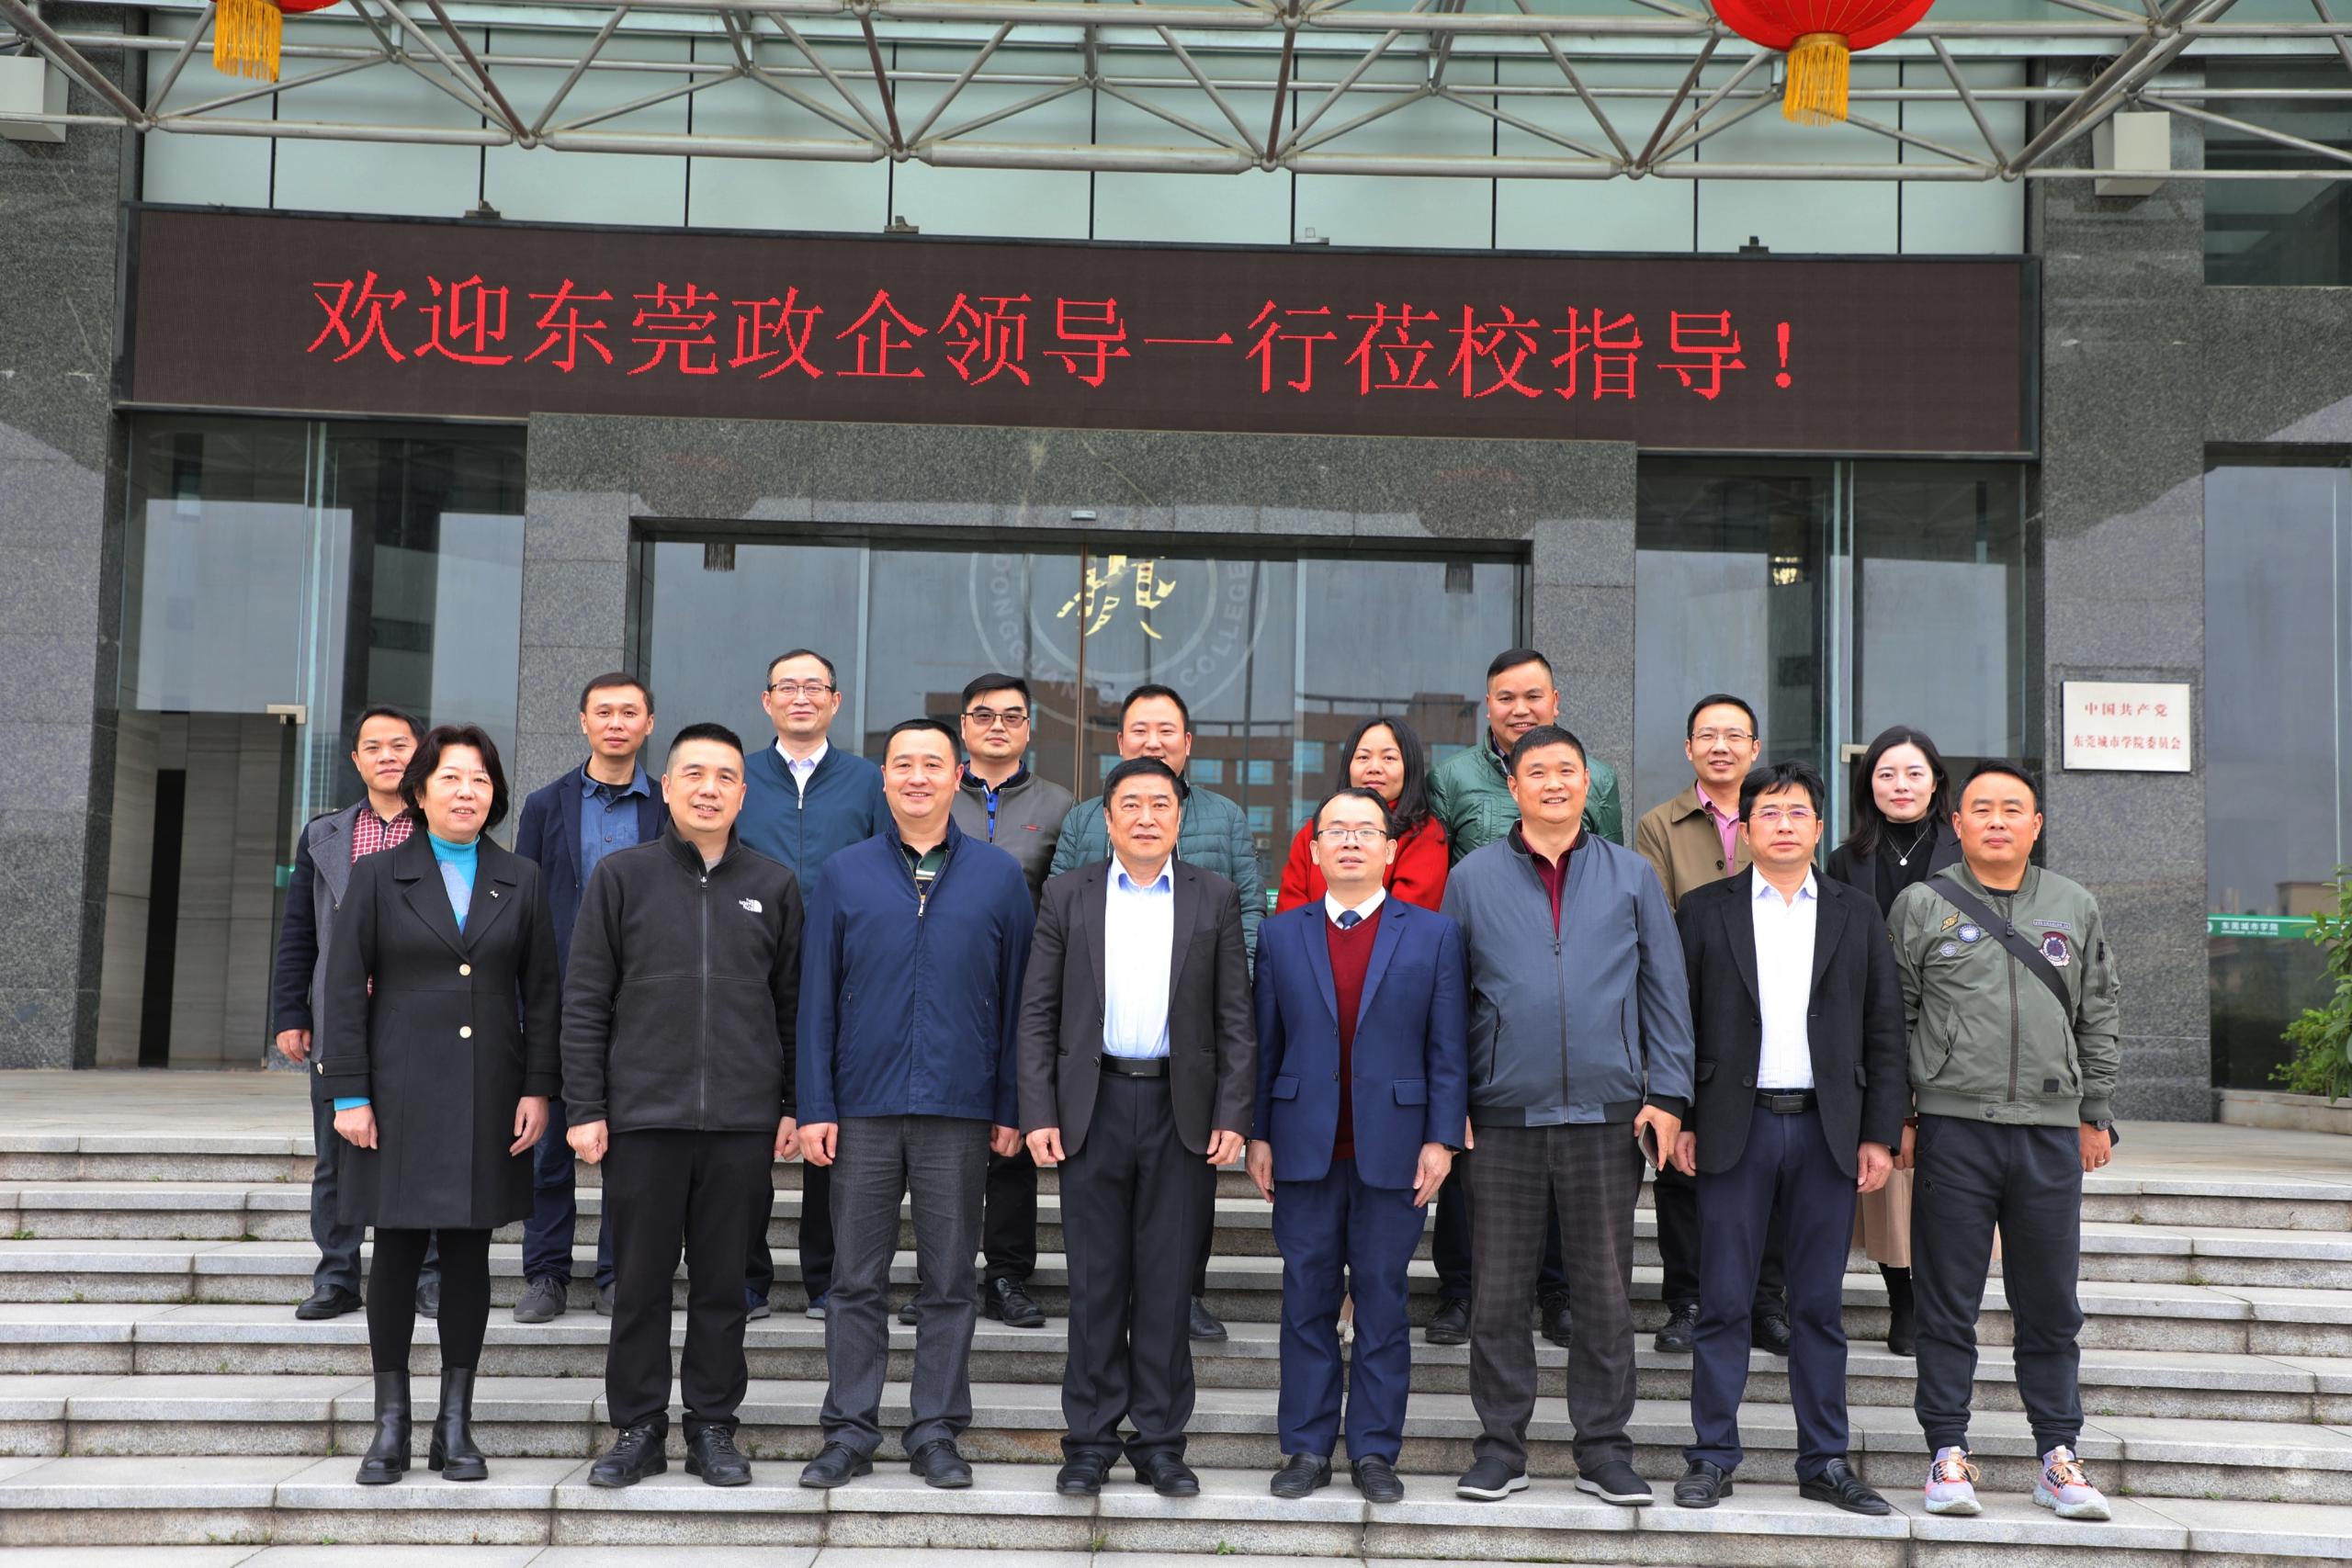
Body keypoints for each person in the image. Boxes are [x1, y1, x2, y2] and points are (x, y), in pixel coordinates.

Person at [1439, 724, 1690, 1507]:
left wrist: (1668, 1095)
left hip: (1608, 1118)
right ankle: (1500, 1448)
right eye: (1537, 771)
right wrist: (1451, 1106)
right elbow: (1448, 1002)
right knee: (1498, 1293)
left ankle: (1604, 1450)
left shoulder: (1632, 875)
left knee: (1604, 1295)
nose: (1553, 782)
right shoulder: (1471, 878)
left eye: (1567, 770)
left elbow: (1665, 990)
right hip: (1501, 1117)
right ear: (1512, 787)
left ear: (1589, 783)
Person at [560, 722, 805, 1492]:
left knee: (725, 1285)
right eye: (693, 773)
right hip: (644, 1119)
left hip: (740, 1123)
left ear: (743, 792)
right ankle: (638, 1426)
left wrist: (792, 1103)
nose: (708, 788)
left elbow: (793, 1007)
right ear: (666, 787)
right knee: (638, 1284)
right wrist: (585, 1105)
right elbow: (585, 1000)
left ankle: (712, 1426)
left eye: (725, 776)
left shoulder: (774, 884)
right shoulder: (621, 878)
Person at [796, 718, 1035, 1491]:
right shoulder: (845, 872)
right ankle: (849, 1430)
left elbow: (1020, 1002)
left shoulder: (998, 876)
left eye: (933, 764)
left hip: (959, 1107)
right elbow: (815, 999)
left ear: (957, 774)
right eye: (903, 764)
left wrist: (1011, 1105)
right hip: (861, 1107)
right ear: (885, 776)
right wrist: (815, 1102)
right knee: (854, 1279)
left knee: (950, 1280)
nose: (918, 777)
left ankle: (935, 1430)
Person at [317, 724, 558, 1485]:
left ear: (496, 794)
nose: (466, 792)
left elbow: (544, 994)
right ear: (420, 791)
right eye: (451, 777)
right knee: (394, 1250)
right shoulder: (378, 875)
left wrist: (539, 1087)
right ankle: (391, 1424)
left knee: (467, 1253)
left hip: (489, 1090)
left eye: (480, 779)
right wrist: (348, 1091)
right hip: (396, 1092)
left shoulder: (521, 877)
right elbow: (341, 989)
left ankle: (456, 1424)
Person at [1667, 761, 1904, 1517]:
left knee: (1819, 1307)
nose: (1783, 824)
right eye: (1768, 812)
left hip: (1826, 1131)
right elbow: (1677, 1022)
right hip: (1733, 1128)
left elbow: (1884, 1027)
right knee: (1724, 1301)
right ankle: (1712, 1455)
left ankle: (1824, 1459)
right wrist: (1682, 1115)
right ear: (1746, 827)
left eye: (1798, 811)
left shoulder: (1855, 912)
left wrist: (1879, 1134)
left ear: (1819, 826)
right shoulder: (1705, 910)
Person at [1019, 757, 1256, 1500]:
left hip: (1179, 1111)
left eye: (1161, 803)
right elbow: (1037, 1011)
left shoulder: (1214, 895)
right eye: (1131, 804)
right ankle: (1089, 1441)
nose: (1147, 816)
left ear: (1180, 817)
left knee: (1166, 1283)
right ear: (1107, 818)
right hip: (1091, 1107)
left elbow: (1236, 1016)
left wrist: (1233, 1113)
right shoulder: (1068, 893)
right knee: (1094, 1284)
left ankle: (1160, 1442)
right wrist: (1038, 1110)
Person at [1893, 761, 2121, 1523]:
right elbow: (1895, 1016)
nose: (1997, 820)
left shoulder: (2074, 905)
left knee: (2050, 1303)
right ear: (1956, 824)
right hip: (1954, 1130)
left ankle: (2058, 1455)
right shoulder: (1921, 904)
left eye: (2012, 808)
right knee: (1947, 1302)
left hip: (2049, 1133)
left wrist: (2095, 1109)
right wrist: (1899, 1115)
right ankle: (1946, 1453)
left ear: (2036, 824)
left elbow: (2097, 1011)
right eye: (1982, 808)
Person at [1247, 786, 1467, 1505]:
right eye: (1335, 830)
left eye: (1365, 830)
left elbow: (1448, 1048)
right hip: (1303, 1147)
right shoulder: (1281, 934)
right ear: (1313, 850)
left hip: (1395, 1150)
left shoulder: (1432, 934)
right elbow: (1264, 1043)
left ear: (1390, 848)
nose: (1350, 841)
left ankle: (1374, 1450)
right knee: (1306, 1300)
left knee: (1382, 1301)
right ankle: (1307, 1447)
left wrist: (1442, 1137)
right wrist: (1258, 1133)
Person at [1046, 683, 1265, 1342]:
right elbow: (1057, 931)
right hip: (1103, 1068)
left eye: (1167, 729)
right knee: (1100, 1255)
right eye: (1140, 729)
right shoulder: (1084, 823)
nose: (1153, 740)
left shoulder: (1225, 818)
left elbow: (1248, 913)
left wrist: (1232, 978)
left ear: (1187, 743)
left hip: (1188, 1050)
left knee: (1179, 1222)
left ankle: (1182, 1299)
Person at [270, 706, 438, 1323]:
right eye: (374, 746)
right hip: (342, 1020)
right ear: (356, 759)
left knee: (425, 1149)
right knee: (335, 1157)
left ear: (421, 752)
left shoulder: (443, 829)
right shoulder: (324, 835)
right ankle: (337, 1275)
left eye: (400, 744)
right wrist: (291, 1011)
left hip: (422, 1022)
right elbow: (298, 933)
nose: (387, 755)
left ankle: (430, 1274)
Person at [1633, 694, 1787, 1359]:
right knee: (1681, 1165)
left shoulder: (1782, 815)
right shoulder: (1658, 825)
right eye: (1707, 735)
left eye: (1734, 735)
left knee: (1774, 1159)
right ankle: (1688, 1300)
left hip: (1777, 1016)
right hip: (1690, 1011)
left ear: (1755, 747)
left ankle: (1766, 1303)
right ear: (1689, 748)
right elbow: (1659, 922)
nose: (1720, 746)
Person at [509, 672, 666, 1324]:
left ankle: (616, 1273)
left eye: (629, 712)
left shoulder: (668, 805)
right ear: (583, 722)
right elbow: (522, 901)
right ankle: (547, 1273)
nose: (616, 723)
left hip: (645, 1001)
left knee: (630, 1151)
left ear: (649, 724)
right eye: (604, 712)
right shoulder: (546, 805)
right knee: (549, 1150)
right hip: (560, 995)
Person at [737, 649, 888, 1323]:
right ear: (766, 700)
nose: (801, 697)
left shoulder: (868, 781)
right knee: (748, 1127)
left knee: (831, 1123)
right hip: (748, 970)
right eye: (787, 686)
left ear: (835, 701)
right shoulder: (739, 773)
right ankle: (746, 1274)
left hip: (843, 973)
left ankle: (827, 1277)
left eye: (814, 687)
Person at [938, 672, 1073, 1333]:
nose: (998, 726)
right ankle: (942, 1274)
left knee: (1013, 1140)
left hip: (1024, 994)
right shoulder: (935, 792)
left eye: (1012, 716)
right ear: (963, 726)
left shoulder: (1060, 805)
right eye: (984, 715)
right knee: (944, 1141)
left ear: (1029, 728)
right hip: (943, 993)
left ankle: (1007, 1275)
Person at [1825, 726, 1962, 1358]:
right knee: (1889, 1169)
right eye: (1886, 774)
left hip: (1953, 1030)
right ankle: (1901, 1298)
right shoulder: (1844, 859)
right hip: (1870, 1027)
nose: (1899, 785)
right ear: (1868, 785)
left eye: (1913, 773)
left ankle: (1939, 1296)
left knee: (1947, 1170)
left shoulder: (1964, 850)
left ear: (1936, 782)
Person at [1428, 649, 1625, 860]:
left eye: (1533, 696)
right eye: (1506, 698)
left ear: (1555, 701)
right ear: (1488, 705)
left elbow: (1612, 867)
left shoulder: (1600, 778)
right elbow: (1436, 873)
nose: (1520, 710)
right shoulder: (1449, 778)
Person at [1273, 716, 1449, 914]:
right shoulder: (1315, 830)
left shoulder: (1424, 834)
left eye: (1389, 758)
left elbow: (1408, 920)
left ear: (1410, 767)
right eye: (1363, 757)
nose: (1374, 768)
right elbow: (1290, 916)